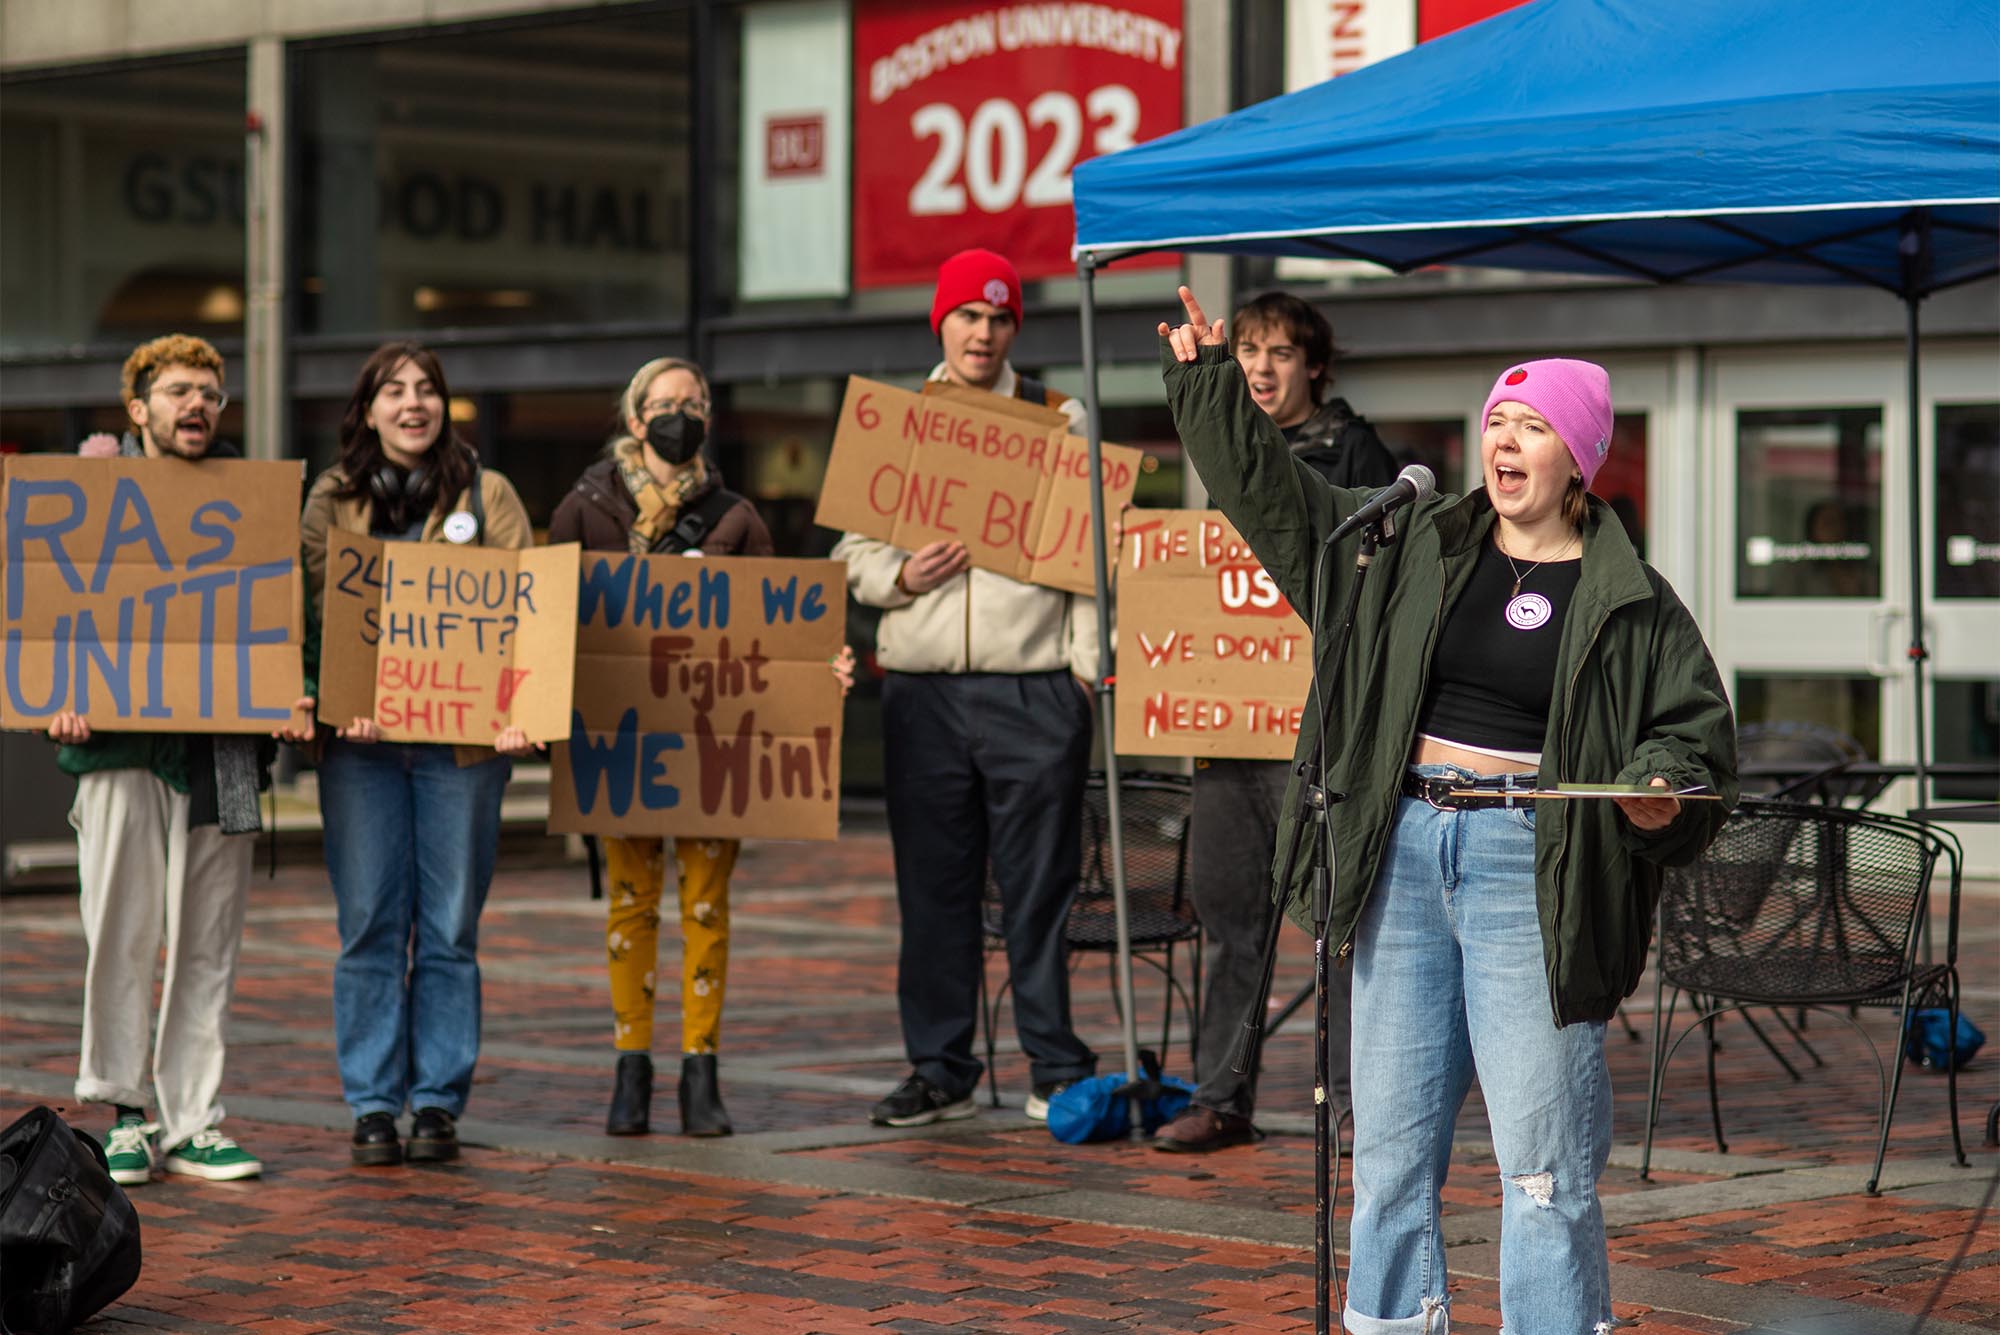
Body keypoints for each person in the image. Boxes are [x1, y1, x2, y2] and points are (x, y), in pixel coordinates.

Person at [1160, 287, 1736, 1333]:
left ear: (1576, 457)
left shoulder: (1632, 599)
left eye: (1529, 426)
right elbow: (1280, 508)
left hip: (1534, 864)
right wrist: (1208, 389)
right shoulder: (1408, 540)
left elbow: (1690, 743)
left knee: (1541, 1157)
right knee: (1386, 1150)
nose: (1502, 441)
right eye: (1493, 423)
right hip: (1404, 855)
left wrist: (1656, 796)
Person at [548, 355, 854, 1137]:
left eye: (694, 402)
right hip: (622, 741)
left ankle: (700, 1070)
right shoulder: (584, 510)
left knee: (708, 908)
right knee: (630, 905)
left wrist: (824, 668)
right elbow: (544, 618)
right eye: (664, 402)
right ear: (633, 416)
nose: (679, 413)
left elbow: (774, 632)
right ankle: (631, 1069)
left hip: (714, 743)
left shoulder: (737, 517)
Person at [833, 248, 1099, 1127]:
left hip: (1034, 689)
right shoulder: (898, 421)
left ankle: (1054, 1062)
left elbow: (1096, 555)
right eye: (968, 317)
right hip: (926, 690)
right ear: (941, 323)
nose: (982, 333)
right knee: (934, 887)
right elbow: (849, 554)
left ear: (1014, 327)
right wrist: (902, 577)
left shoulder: (1062, 420)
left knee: (1041, 886)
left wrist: (1084, 668)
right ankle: (940, 1067)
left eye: (997, 318)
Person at [282, 342, 537, 1168]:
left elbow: (526, 606)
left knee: (451, 926)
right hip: (361, 750)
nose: (414, 403)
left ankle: (435, 1101)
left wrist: (519, 711)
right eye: (395, 390)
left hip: (463, 746)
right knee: (368, 926)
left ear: (446, 406)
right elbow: (305, 613)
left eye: (427, 389)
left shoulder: (487, 493)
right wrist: (326, 693)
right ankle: (372, 1104)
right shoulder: (331, 497)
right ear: (367, 409)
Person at [1154, 292, 1397, 1154]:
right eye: (1248, 350)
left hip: (1317, 732)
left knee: (1340, 925)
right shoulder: (1213, 439)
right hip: (1230, 728)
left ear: (1313, 368)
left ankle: (1357, 1110)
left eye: (1281, 353)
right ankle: (1220, 1094)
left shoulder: (1358, 453)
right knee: (1230, 921)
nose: (1260, 367)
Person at [49, 334, 270, 1186]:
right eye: (180, 390)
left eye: (211, 393)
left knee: (210, 935)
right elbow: (48, 619)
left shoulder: (251, 503)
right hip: (117, 745)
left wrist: (298, 691)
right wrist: (53, 705)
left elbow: (289, 620)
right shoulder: (88, 503)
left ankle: (196, 1117)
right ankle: (126, 1112)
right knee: (121, 928)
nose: (199, 405)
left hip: (227, 752)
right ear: (137, 408)